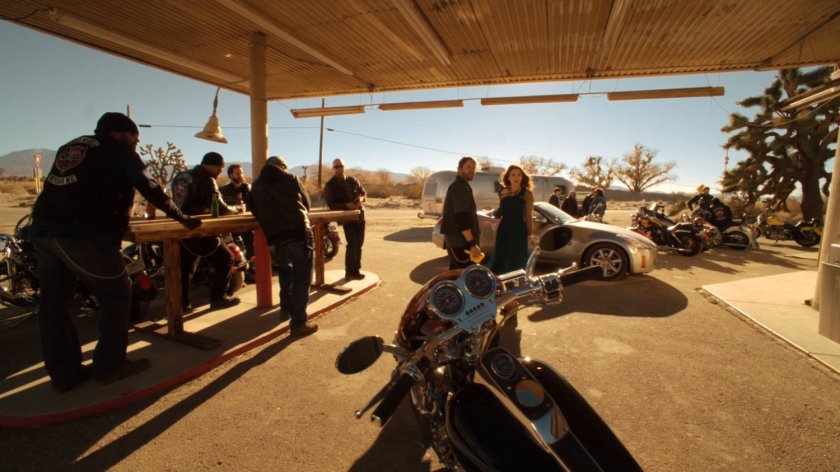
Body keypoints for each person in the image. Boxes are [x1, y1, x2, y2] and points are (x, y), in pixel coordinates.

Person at [30, 112, 202, 392]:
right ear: (122, 133)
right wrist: (182, 218)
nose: (136, 143)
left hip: (43, 231)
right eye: (136, 138)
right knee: (118, 292)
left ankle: (65, 374)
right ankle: (111, 365)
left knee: (54, 304)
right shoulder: (120, 151)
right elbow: (149, 186)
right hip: (82, 233)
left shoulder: (71, 146)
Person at [248, 156, 319, 337]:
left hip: (276, 237)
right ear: (283, 167)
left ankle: (285, 308)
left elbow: (254, 209)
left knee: (285, 272)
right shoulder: (290, 179)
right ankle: (298, 323)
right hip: (298, 233)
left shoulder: (256, 185)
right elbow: (307, 204)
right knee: (302, 279)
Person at [172, 152, 242, 312]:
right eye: (220, 168)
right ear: (211, 165)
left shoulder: (181, 176)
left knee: (185, 268)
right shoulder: (207, 179)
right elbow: (220, 207)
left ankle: (181, 304)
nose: (220, 172)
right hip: (199, 229)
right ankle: (218, 298)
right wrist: (236, 210)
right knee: (226, 258)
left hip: (180, 228)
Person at [487, 164, 535, 274]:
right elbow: (501, 210)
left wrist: (529, 234)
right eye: (513, 175)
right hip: (504, 228)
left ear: (522, 177)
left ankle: (515, 285)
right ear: (508, 177)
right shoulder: (502, 192)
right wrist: (495, 217)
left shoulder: (527, 194)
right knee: (501, 257)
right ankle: (499, 285)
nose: (516, 177)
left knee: (516, 259)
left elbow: (528, 215)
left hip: (519, 229)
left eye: (519, 175)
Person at [324, 158, 367, 280]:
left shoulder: (353, 180)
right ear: (333, 168)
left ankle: (356, 271)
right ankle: (349, 272)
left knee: (359, 245)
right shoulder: (330, 185)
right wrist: (347, 206)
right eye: (336, 167)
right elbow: (331, 204)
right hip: (347, 218)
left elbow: (364, 193)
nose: (339, 168)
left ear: (344, 166)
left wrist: (360, 199)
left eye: (341, 166)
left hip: (360, 216)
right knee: (352, 244)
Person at [441, 156, 482, 269]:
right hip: (460, 242)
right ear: (459, 169)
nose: (472, 170)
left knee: (458, 274)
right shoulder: (460, 187)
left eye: (474, 168)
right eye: (468, 167)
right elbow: (461, 217)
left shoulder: (462, 186)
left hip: (459, 241)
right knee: (461, 276)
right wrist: (472, 244)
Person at [219, 163, 255, 259]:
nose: (241, 175)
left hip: (247, 223)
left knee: (251, 246)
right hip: (231, 224)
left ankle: (251, 265)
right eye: (238, 173)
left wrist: (246, 189)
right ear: (231, 175)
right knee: (236, 249)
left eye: (241, 173)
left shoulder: (248, 188)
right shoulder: (224, 190)